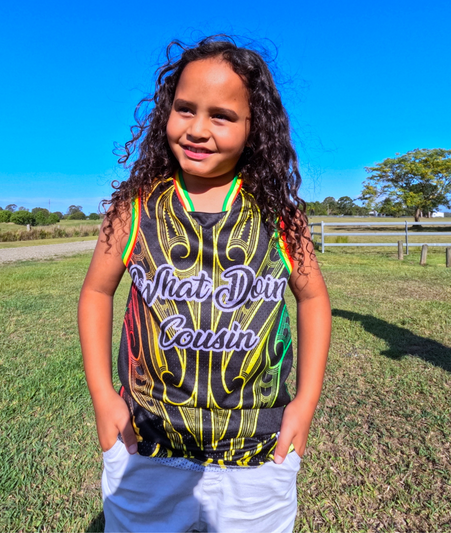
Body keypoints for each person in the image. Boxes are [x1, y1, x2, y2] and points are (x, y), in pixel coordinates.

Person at [78, 36, 331, 533]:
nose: (197, 129)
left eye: (221, 116)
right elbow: (95, 292)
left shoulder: (280, 217)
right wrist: (103, 395)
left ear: (255, 128)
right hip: (146, 440)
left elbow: (314, 299)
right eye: (185, 109)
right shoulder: (134, 209)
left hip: (259, 445)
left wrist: (305, 401)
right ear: (165, 113)